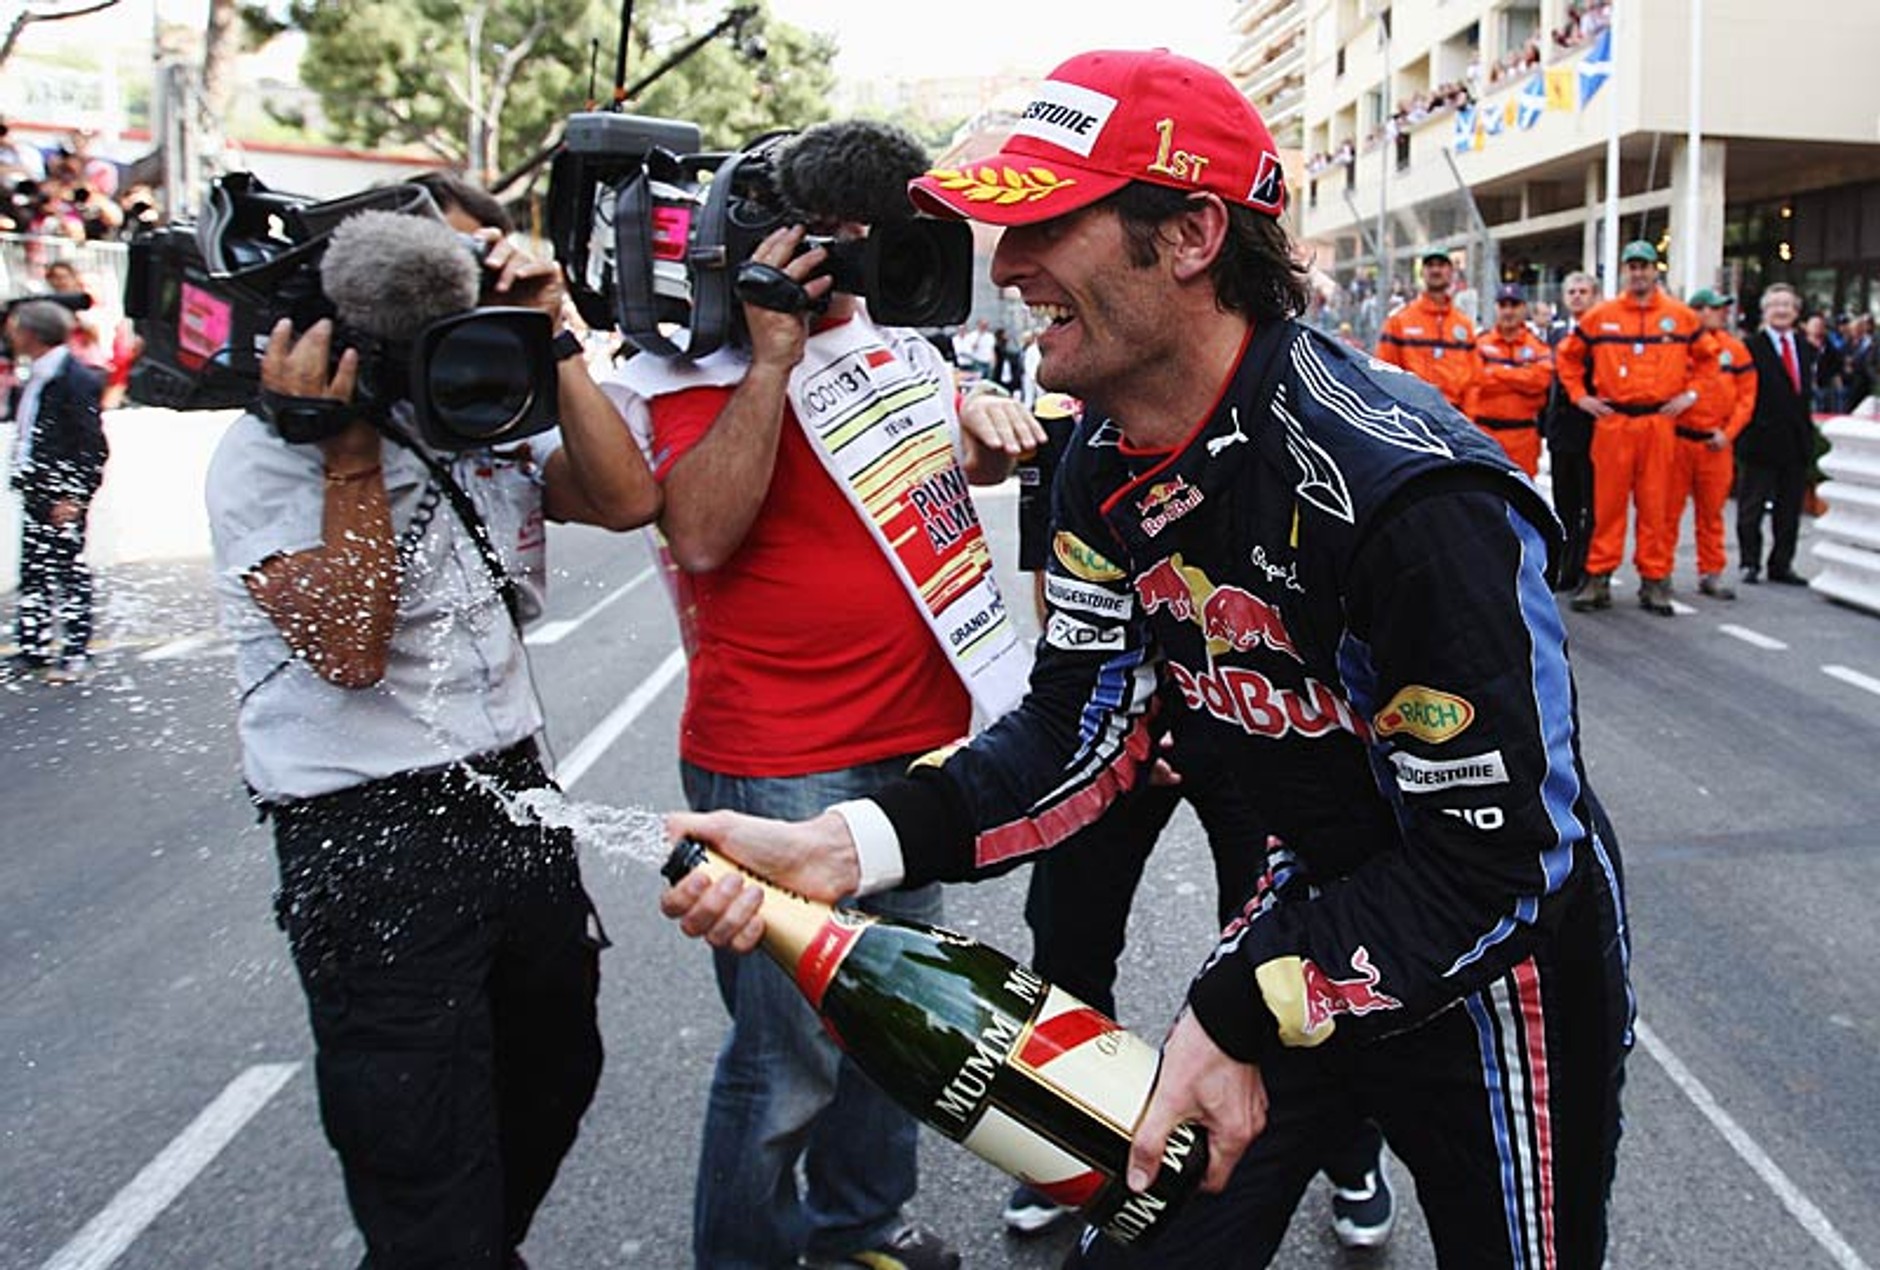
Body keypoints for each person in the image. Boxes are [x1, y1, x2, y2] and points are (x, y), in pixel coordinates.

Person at [661, 49, 1631, 1270]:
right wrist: (841, 845)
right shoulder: (1098, 458)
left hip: (1499, 973)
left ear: (1188, 235)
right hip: (1303, 910)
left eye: (1042, 224)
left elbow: (1498, 859)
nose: (1005, 268)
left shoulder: (1407, 494)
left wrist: (1232, 1007)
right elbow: (1080, 726)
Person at [605, 119, 1044, 1270]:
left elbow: (945, 474)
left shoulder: (897, 341)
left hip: (915, 756)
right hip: (778, 763)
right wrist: (769, 362)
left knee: (889, 1025)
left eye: (873, 230)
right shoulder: (690, 365)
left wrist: (982, 431)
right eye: (834, 231)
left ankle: (861, 1230)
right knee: (783, 1055)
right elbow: (702, 533)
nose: (854, 254)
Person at [205, 209, 663, 1269]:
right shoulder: (266, 454)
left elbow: (627, 497)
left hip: (512, 794)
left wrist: (552, 339)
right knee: (418, 1142)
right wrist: (348, 453)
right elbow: (350, 648)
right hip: (367, 830)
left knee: (556, 1067)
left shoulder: (482, 397)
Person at [1555, 240, 1709, 616]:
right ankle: (1598, 577)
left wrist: (1691, 395)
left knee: (1655, 505)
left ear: (1656, 270)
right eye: (1632, 266)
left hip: (1659, 423)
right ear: (1625, 271)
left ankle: (1654, 579)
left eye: (1645, 266)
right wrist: (1580, 397)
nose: (1638, 273)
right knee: (1606, 506)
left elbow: (1709, 359)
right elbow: (1567, 357)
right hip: (1614, 423)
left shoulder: (1680, 316)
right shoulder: (1601, 316)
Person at [4, 299, 107, 684]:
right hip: (37, 488)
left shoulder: (72, 379)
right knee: (33, 571)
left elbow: (91, 443)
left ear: (31, 333)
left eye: (16, 328)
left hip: (62, 493)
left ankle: (76, 651)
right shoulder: (38, 375)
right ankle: (32, 647)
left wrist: (76, 494)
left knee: (68, 572)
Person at [1674, 289, 1757, 600]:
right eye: (1713, 308)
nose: (1721, 313)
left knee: (1712, 514)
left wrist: (1729, 433)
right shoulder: (1678, 348)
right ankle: (1658, 573)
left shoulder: (1734, 350)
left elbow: (1747, 397)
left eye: (1721, 308)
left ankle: (1711, 572)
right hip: (1679, 441)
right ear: (1696, 312)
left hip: (1716, 443)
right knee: (1666, 513)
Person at [1736, 282, 1817, 586]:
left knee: (1789, 509)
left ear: (1796, 311)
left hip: (1795, 440)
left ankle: (1781, 564)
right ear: (1764, 311)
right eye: (1775, 305)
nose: (1781, 310)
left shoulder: (1805, 347)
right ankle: (1750, 562)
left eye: (1787, 305)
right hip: (1760, 438)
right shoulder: (1750, 347)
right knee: (1752, 507)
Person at [1543, 271, 1599, 591]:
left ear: (1594, 296)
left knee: (1590, 506)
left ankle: (1587, 568)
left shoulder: (1602, 333)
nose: (1577, 296)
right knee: (1564, 503)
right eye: (1572, 292)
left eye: (1583, 291)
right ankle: (1566, 566)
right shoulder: (1556, 333)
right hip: (1561, 430)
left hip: (1591, 429)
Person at [1466, 282, 1552, 476]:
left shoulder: (1538, 347)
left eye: (1514, 305)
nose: (1508, 311)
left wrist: (1495, 372)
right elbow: (1475, 379)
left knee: (1521, 491)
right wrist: (1520, 375)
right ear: (1496, 308)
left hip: (1523, 437)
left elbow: (1540, 381)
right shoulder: (1479, 342)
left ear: (1524, 308)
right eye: (1503, 305)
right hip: (1484, 433)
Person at [1375, 248, 1478, 411]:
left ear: (1451, 272)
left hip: (1453, 417)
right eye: (1430, 265)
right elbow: (1384, 373)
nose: (1436, 270)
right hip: (1412, 415)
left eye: (1441, 265)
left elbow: (1474, 380)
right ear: (1422, 272)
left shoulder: (1464, 325)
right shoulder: (1399, 321)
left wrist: (1467, 419)